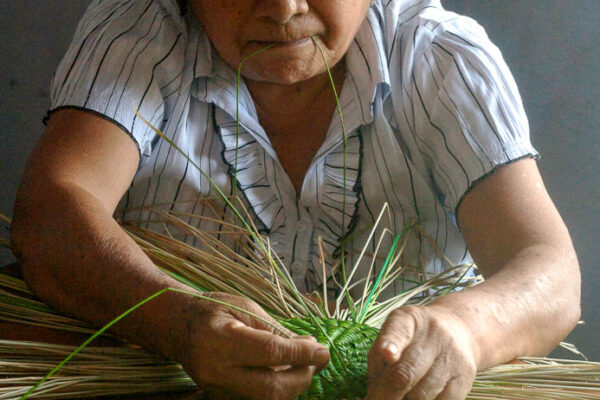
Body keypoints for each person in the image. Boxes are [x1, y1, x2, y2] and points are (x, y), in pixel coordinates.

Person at [10, 0, 581, 399]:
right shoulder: (141, 32)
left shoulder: (438, 56)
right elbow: (53, 211)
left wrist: (466, 329)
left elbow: (550, 274)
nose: (283, 8)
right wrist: (178, 323)